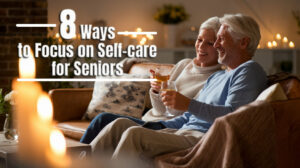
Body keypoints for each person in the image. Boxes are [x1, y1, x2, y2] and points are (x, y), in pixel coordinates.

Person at [90, 13, 267, 163]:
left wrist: (188, 104)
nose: (217, 44)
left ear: (243, 42)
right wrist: (156, 126)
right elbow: (188, 117)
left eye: (221, 39)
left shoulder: (249, 70)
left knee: (134, 135)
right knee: (119, 124)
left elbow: (233, 117)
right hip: (182, 131)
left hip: (203, 137)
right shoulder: (218, 76)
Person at [80, 16, 222, 144]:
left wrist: (173, 99)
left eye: (209, 43)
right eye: (199, 40)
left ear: (219, 47)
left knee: (102, 120)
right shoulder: (184, 64)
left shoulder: (215, 79)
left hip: (167, 128)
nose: (201, 46)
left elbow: (183, 116)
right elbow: (160, 109)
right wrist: (156, 91)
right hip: (149, 119)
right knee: (103, 121)